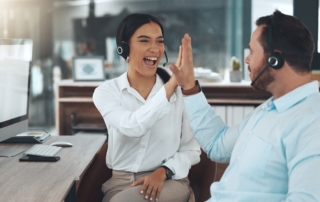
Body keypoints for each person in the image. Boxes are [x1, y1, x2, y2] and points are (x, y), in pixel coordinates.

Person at [169, 10, 320, 201]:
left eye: (252, 51)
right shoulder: (268, 110)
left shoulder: (312, 124)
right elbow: (218, 144)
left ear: (275, 58)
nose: (247, 59)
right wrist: (189, 86)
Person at [92, 13, 201, 202]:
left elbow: (191, 150)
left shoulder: (179, 90)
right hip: (120, 183)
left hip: (168, 181)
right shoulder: (107, 92)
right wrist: (170, 86)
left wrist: (163, 172)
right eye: (144, 41)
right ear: (123, 48)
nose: (154, 49)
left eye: (159, 41)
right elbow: (131, 126)